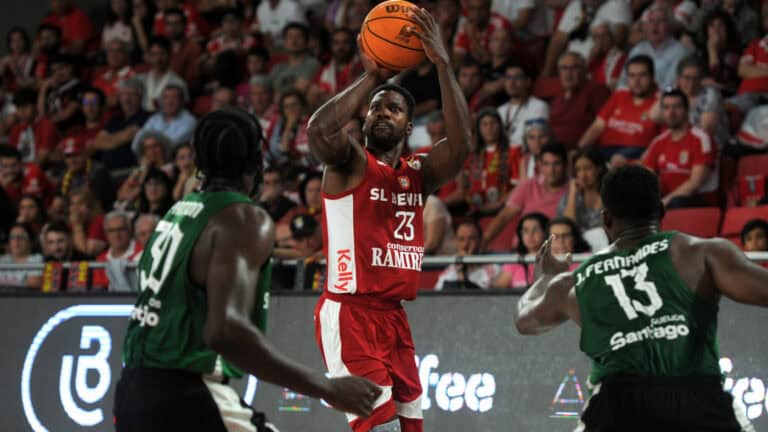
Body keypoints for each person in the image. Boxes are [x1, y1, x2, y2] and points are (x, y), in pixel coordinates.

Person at [115, 108, 380, 431]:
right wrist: (328, 388)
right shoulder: (241, 218)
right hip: (183, 395)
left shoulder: (179, 212)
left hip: (132, 391)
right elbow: (225, 331)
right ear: (257, 161)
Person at [307, 7, 471, 431]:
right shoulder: (350, 163)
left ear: (408, 125)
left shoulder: (419, 173)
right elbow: (318, 133)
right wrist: (372, 80)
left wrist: (443, 64)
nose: (381, 113)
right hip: (350, 312)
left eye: (393, 109)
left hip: (393, 316)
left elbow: (462, 146)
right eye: (376, 108)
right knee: (373, 426)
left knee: (412, 426)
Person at [515, 165, 762, 431]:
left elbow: (524, 320)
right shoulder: (702, 253)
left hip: (616, 405)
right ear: (661, 211)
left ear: (606, 220)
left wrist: (543, 281)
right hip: (699, 397)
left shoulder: (574, 282)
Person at [481, 143, 568, 248]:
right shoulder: (528, 185)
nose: (551, 170)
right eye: (546, 164)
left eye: (556, 164)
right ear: (539, 165)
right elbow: (503, 217)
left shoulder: (573, 189)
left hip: (558, 250)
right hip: (524, 251)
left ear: (565, 165)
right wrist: (483, 243)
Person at [642, 89, 718, 209]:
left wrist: (664, 202)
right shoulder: (658, 142)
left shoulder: (701, 138)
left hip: (699, 201)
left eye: (676, 107)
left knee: (676, 203)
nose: (671, 112)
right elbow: (646, 179)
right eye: (666, 108)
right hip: (666, 200)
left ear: (687, 109)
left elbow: (695, 183)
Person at [434, 221, 498, 290]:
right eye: (461, 239)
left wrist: (462, 276)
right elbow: (438, 295)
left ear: (480, 240)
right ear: (456, 242)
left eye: (471, 239)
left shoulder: (493, 269)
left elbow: (483, 297)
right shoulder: (450, 268)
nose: (465, 245)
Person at [492, 212, 548, 290]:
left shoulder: (555, 258)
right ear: (520, 234)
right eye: (525, 230)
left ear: (545, 233)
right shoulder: (514, 260)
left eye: (536, 230)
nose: (530, 235)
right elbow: (497, 290)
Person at [0, 223, 43, 290]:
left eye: (21, 237)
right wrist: (23, 282)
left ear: (31, 241)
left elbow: (34, 283)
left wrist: (3, 282)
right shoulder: (2, 259)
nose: (16, 241)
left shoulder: (37, 259)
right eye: (13, 237)